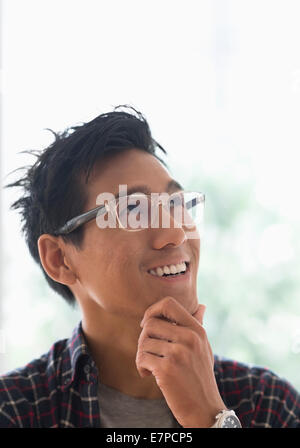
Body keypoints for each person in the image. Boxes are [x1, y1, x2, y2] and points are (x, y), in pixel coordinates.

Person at [0, 106, 299, 428]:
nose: (175, 233)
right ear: (59, 259)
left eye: (176, 204)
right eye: (132, 209)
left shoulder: (268, 402)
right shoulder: (15, 410)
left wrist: (210, 417)